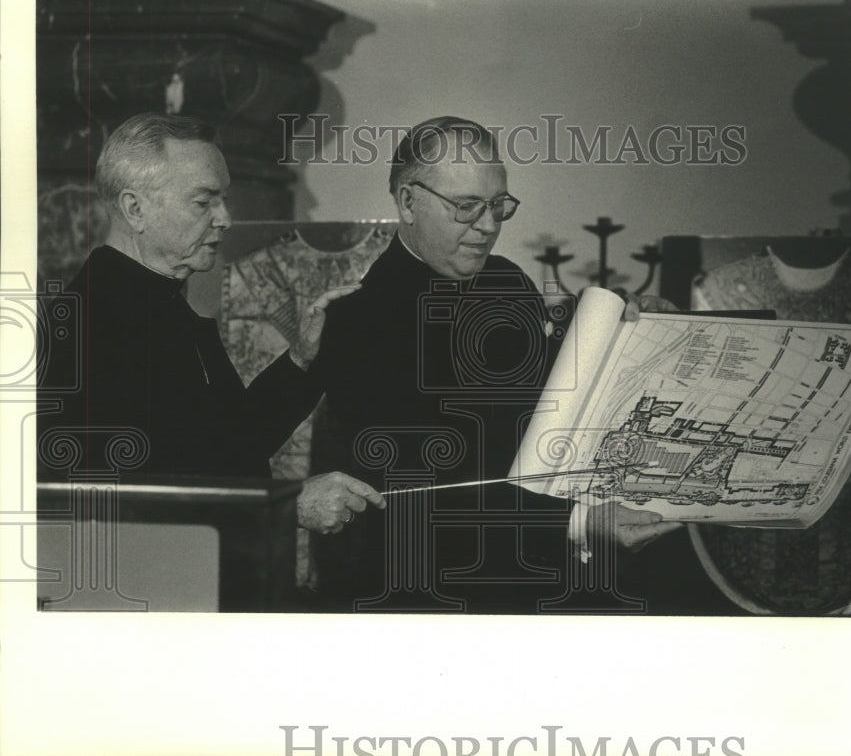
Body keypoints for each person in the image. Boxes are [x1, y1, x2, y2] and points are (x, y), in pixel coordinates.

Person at [308, 117, 677, 612]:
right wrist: (584, 521)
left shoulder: (506, 281)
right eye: (465, 208)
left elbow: (552, 409)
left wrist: (628, 339)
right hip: (427, 594)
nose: (487, 227)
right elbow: (425, 490)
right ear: (408, 202)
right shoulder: (358, 320)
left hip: (545, 579)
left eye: (497, 206)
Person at [37, 112, 384, 537]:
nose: (225, 218)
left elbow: (233, 441)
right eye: (204, 202)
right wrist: (285, 503)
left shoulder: (160, 302)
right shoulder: (84, 324)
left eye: (223, 199)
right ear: (134, 208)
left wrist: (302, 358)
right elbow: (118, 496)